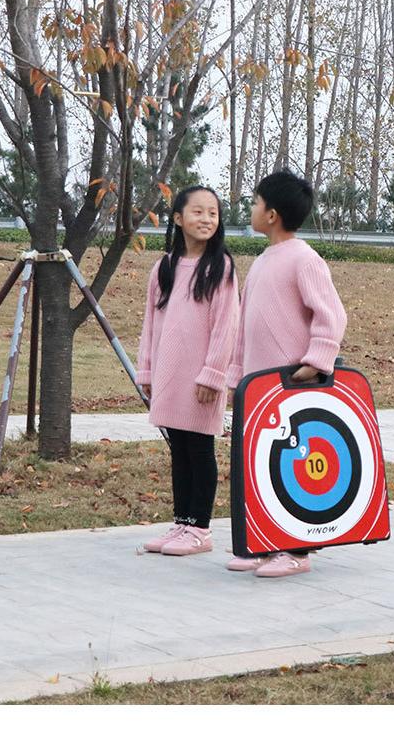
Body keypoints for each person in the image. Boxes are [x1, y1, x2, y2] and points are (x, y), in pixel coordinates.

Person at [226, 169, 347, 578]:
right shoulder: (261, 262)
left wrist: (317, 359)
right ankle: (264, 543)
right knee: (260, 465)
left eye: (256, 202)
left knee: (293, 467)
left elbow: (330, 314)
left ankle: (296, 551)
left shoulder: (304, 258)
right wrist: (235, 378)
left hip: (292, 384)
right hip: (258, 387)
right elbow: (244, 326)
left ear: (272, 214)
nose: (252, 209)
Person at [137, 185, 239, 556]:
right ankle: (181, 522)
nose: (206, 219)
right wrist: (145, 372)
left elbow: (226, 327)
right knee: (178, 448)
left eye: (213, 213)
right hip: (169, 376)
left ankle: (200, 528)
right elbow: (150, 325)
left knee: (199, 449)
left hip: (201, 381)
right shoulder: (163, 268)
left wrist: (213, 375)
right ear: (178, 218)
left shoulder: (220, 268)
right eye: (198, 212)